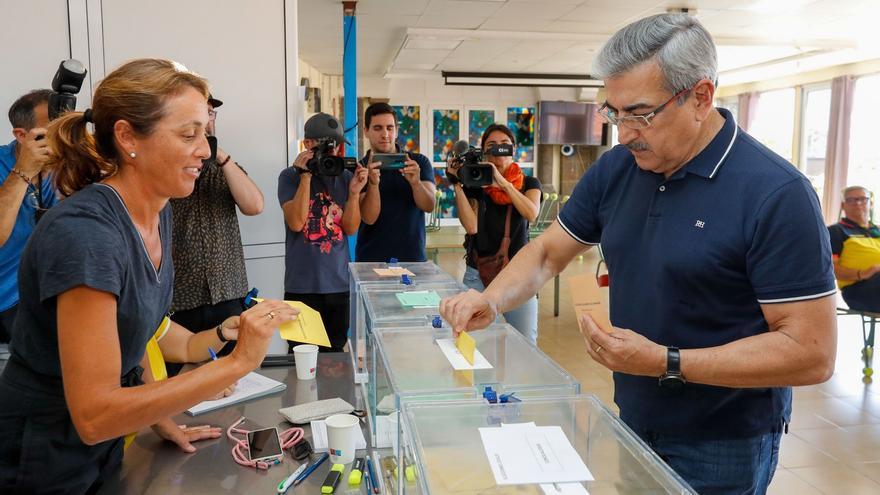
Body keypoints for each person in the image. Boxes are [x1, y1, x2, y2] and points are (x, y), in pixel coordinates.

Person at [440, 14, 837, 494]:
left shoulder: (776, 193)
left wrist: (668, 362)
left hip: (725, 438)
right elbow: (547, 253)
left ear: (701, 97)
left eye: (640, 114)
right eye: (614, 112)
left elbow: (811, 352)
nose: (624, 133)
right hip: (634, 413)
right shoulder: (618, 169)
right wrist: (493, 299)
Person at [0, 58, 297, 494]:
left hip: (101, 446)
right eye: (188, 134)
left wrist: (216, 338)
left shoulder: (158, 214)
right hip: (43, 452)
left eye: (205, 132)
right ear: (126, 137)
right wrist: (238, 362)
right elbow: (95, 415)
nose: (205, 149)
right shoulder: (87, 236)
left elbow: (143, 333)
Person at [167, 92, 264, 371]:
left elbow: (255, 206)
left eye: (210, 114)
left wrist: (221, 158)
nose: (207, 121)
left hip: (228, 296)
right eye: (199, 115)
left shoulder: (227, 169)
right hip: (178, 300)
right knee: (178, 383)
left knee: (234, 377)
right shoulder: (167, 171)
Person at [278, 113, 368, 352]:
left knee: (335, 356)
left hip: (338, 285)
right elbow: (297, 223)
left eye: (336, 146)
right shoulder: (289, 177)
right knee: (300, 354)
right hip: (301, 287)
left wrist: (355, 193)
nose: (333, 153)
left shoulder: (346, 177)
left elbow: (350, 228)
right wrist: (305, 177)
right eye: (327, 146)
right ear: (308, 145)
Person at [447, 123, 541, 343]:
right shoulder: (476, 183)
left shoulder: (528, 183)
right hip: (478, 273)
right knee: (475, 343)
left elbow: (531, 213)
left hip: (519, 276)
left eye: (504, 145)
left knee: (525, 344)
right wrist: (457, 185)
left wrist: (503, 182)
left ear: (513, 149)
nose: (499, 150)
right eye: (492, 146)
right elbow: (471, 227)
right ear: (484, 152)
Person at [0, 89, 58, 354]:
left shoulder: (63, 167)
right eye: (48, 133)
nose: (59, 141)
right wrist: (24, 170)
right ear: (21, 136)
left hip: (34, 297)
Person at [356, 102, 436, 262]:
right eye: (377, 128)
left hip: (412, 259)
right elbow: (368, 218)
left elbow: (429, 206)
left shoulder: (418, 162)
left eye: (390, 128)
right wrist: (372, 184)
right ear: (366, 131)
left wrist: (415, 183)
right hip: (371, 260)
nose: (385, 134)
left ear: (397, 131)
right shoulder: (361, 168)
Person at [828, 185, 880, 312]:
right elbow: (829, 268)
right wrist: (862, 273)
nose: (857, 203)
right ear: (843, 205)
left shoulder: (877, 230)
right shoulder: (836, 231)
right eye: (851, 200)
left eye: (863, 199)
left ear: (871, 203)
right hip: (859, 289)